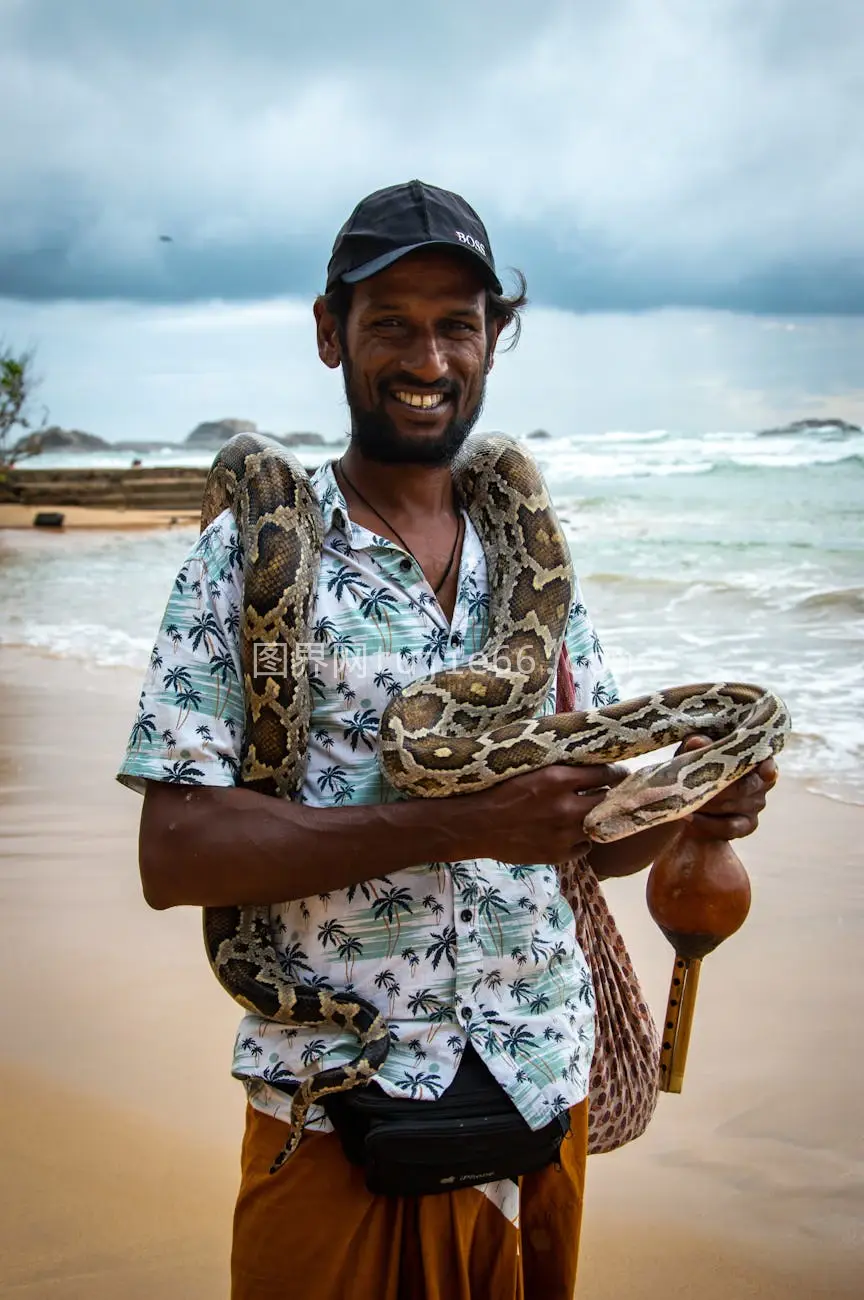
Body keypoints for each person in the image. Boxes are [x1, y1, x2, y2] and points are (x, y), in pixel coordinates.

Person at [117, 181, 777, 1300]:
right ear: (332, 335)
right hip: (335, 1111)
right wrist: (456, 824)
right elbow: (176, 854)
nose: (427, 357)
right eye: (390, 323)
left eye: (456, 325)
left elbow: (583, 841)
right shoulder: (249, 557)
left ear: (492, 342)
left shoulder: (539, 577)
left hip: (538, 1085)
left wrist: (684, 803)